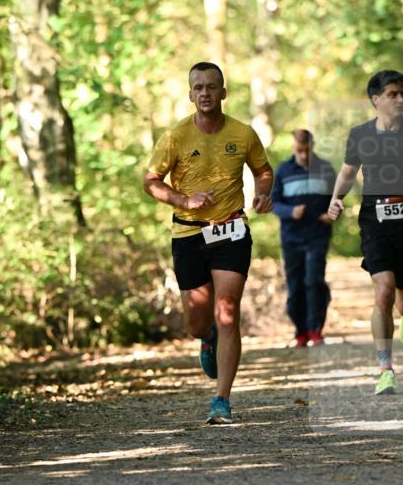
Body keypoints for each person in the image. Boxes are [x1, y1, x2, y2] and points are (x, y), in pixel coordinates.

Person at [143, 62, 273, 424]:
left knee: (228, 311)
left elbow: (263, 170)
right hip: (188, 233)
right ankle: (207, 337)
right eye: (198, 87)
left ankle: (222, 400)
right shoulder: (175, 137)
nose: (205, 93)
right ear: (190, 95)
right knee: (198, 323)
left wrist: (263, 193)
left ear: (223, 92)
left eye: (211, 87)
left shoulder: (243, 133)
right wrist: (184, 200)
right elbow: (150, 181)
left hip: (231, 230)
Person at [327, 69, 403, 394]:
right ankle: (385, 368)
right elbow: (348, 172)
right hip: (374, 222)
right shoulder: (361, 135)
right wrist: (336, 199)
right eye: (393, 94)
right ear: (375, 99)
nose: (400, 99)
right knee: (383, 292)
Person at [271, 129, 336, 347]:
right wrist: (290, 212)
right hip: (291, 237)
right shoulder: (283, 170)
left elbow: (337, 199)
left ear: (312, 146)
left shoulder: (326, 168)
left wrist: (332, 213)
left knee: (314, 281)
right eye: (299, 151)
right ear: (293, 148)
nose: (303, 155)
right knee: (295, 284)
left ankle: (315, 329)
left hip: (318, 235)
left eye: (306, 150)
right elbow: (273, 203)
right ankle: (300, 332)